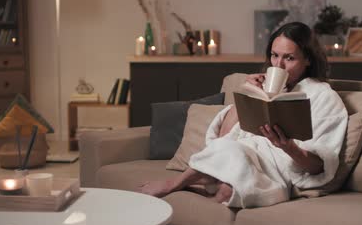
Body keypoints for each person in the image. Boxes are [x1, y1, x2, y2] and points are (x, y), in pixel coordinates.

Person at [140, 22, 348, 208]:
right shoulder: (264, 87)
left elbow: (320, 166)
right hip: (243, 156)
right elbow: (222, 138)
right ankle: (176, 183)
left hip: (277, 172)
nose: (278, 65)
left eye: (289, 58)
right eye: (274, 55)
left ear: (308, 60)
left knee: (226, 192)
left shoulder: (324, 98)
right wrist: (248, 94)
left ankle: (200, 181)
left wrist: (289, 147)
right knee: (229, 151)